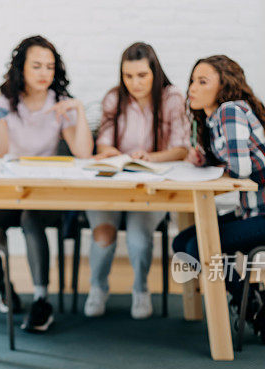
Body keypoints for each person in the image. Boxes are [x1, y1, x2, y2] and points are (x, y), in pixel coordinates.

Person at [173, 55, 265, 345]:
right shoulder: (214, 117)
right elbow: (233, 161)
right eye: (193, 80)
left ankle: (250, 301)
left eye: (202, 81)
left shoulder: (231, 111)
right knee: (182, 244)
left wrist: (212, 167)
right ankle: (249, 297)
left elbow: (240, 170)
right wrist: (203, 158)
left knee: (198, 245)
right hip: (251, 213)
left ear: (224, 87)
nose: (192, 87)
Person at [0, 35, 94, 332]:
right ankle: (5, 289)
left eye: (50, 67)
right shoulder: (3, 100)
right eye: (37, 66)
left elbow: (84, 153)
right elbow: (0, 150)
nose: (44, 73)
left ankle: (42, 300)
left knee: (31, 219)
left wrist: (79, 112)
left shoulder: (60, 104)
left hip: (44, 196)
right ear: (22, 68)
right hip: (7, 192)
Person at [84, 42, 190, 319]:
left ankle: (141, 289)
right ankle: (98, 288)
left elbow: (181, 149)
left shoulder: (172, 98)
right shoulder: (113, 98)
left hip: (152, 186)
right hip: (114, 184)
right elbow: (103, 144)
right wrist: (111, 152)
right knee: (103, 236)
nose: (135, 83)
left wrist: (152, 157)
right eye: (128, 76)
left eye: (142, 75)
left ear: (155, 72)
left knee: (138, 239)